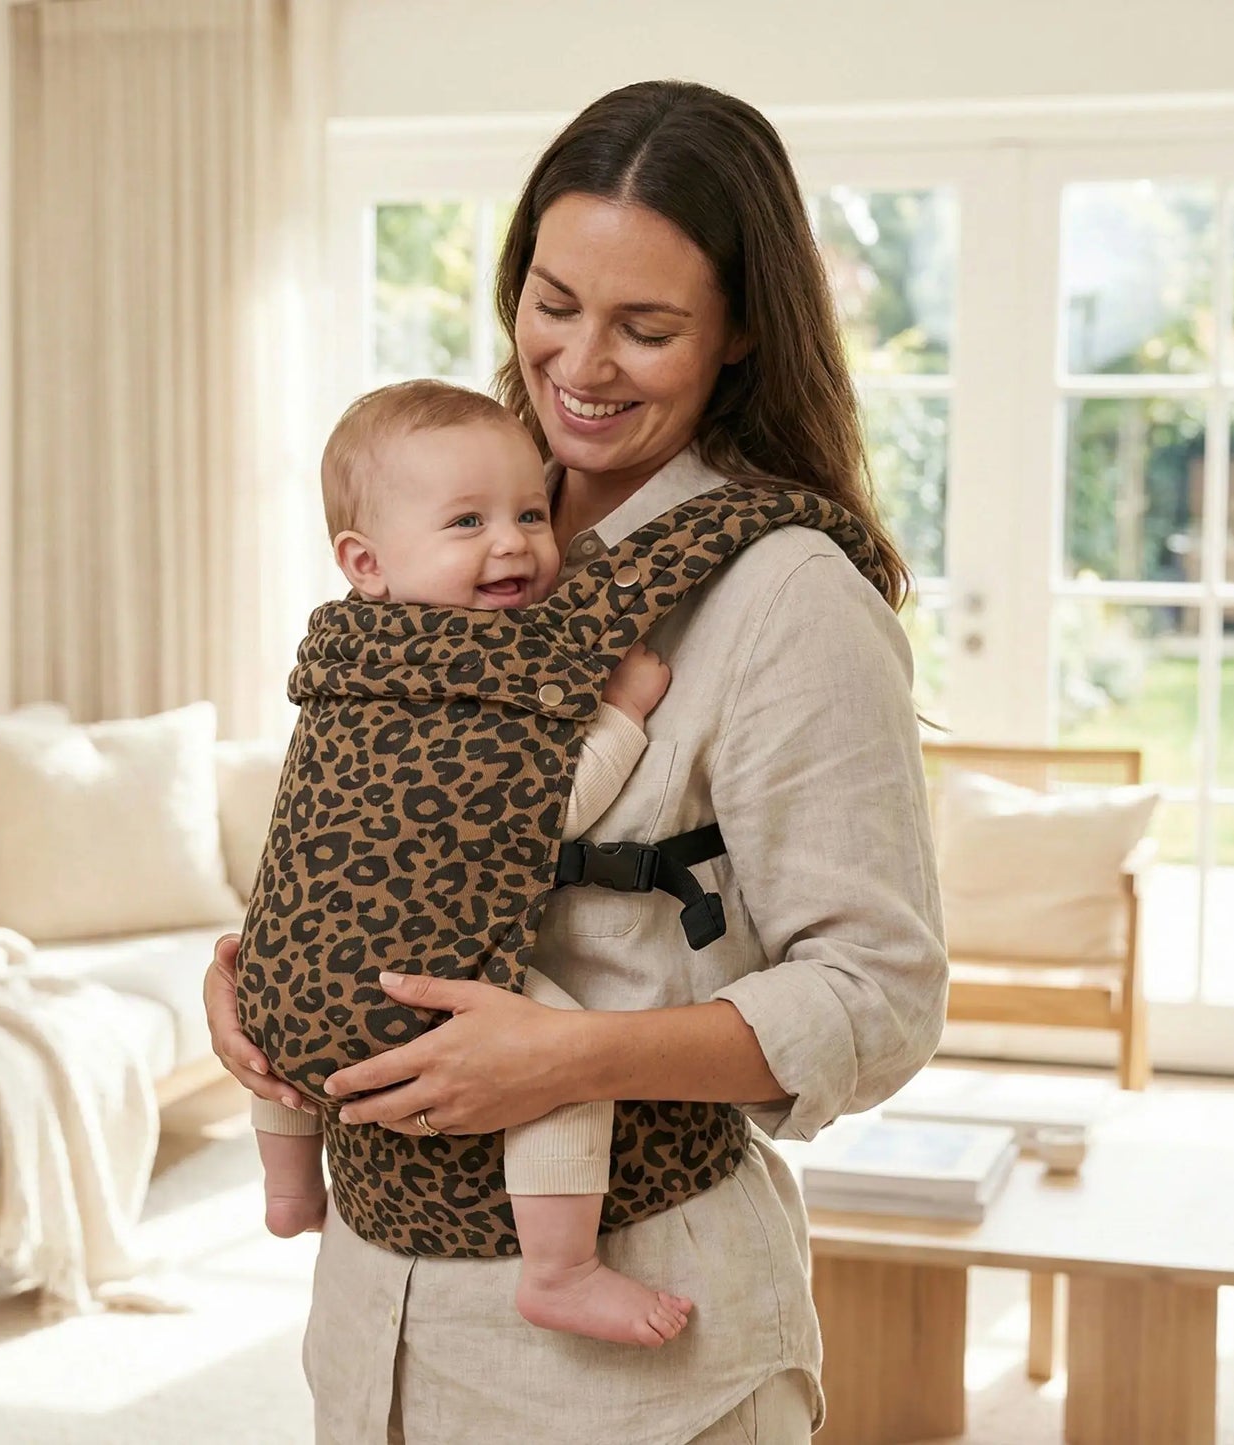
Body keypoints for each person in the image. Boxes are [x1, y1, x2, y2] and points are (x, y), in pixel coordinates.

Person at [205, 78, 948, 1444]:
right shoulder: (446, 515)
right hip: (375, 1313)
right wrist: (263, 971)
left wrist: (567, 1057)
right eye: (553, 303)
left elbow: (880, 996)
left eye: (646, 326)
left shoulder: (786, 595)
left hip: (639, 1362)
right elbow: (364, 803)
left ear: (737, 336)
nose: (581, 364)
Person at [252, 377, 695, 1347]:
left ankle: (289, 1185)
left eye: (530, 513)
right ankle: (561, 1266)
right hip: (420, 984)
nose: (513, 542)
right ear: (364, 561)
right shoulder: (483, 673)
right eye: (466, 521)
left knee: (274, 1012)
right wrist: (619, 711)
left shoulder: (336, 660)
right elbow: (539, 806)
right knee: (564, 1055)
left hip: (288, 977)